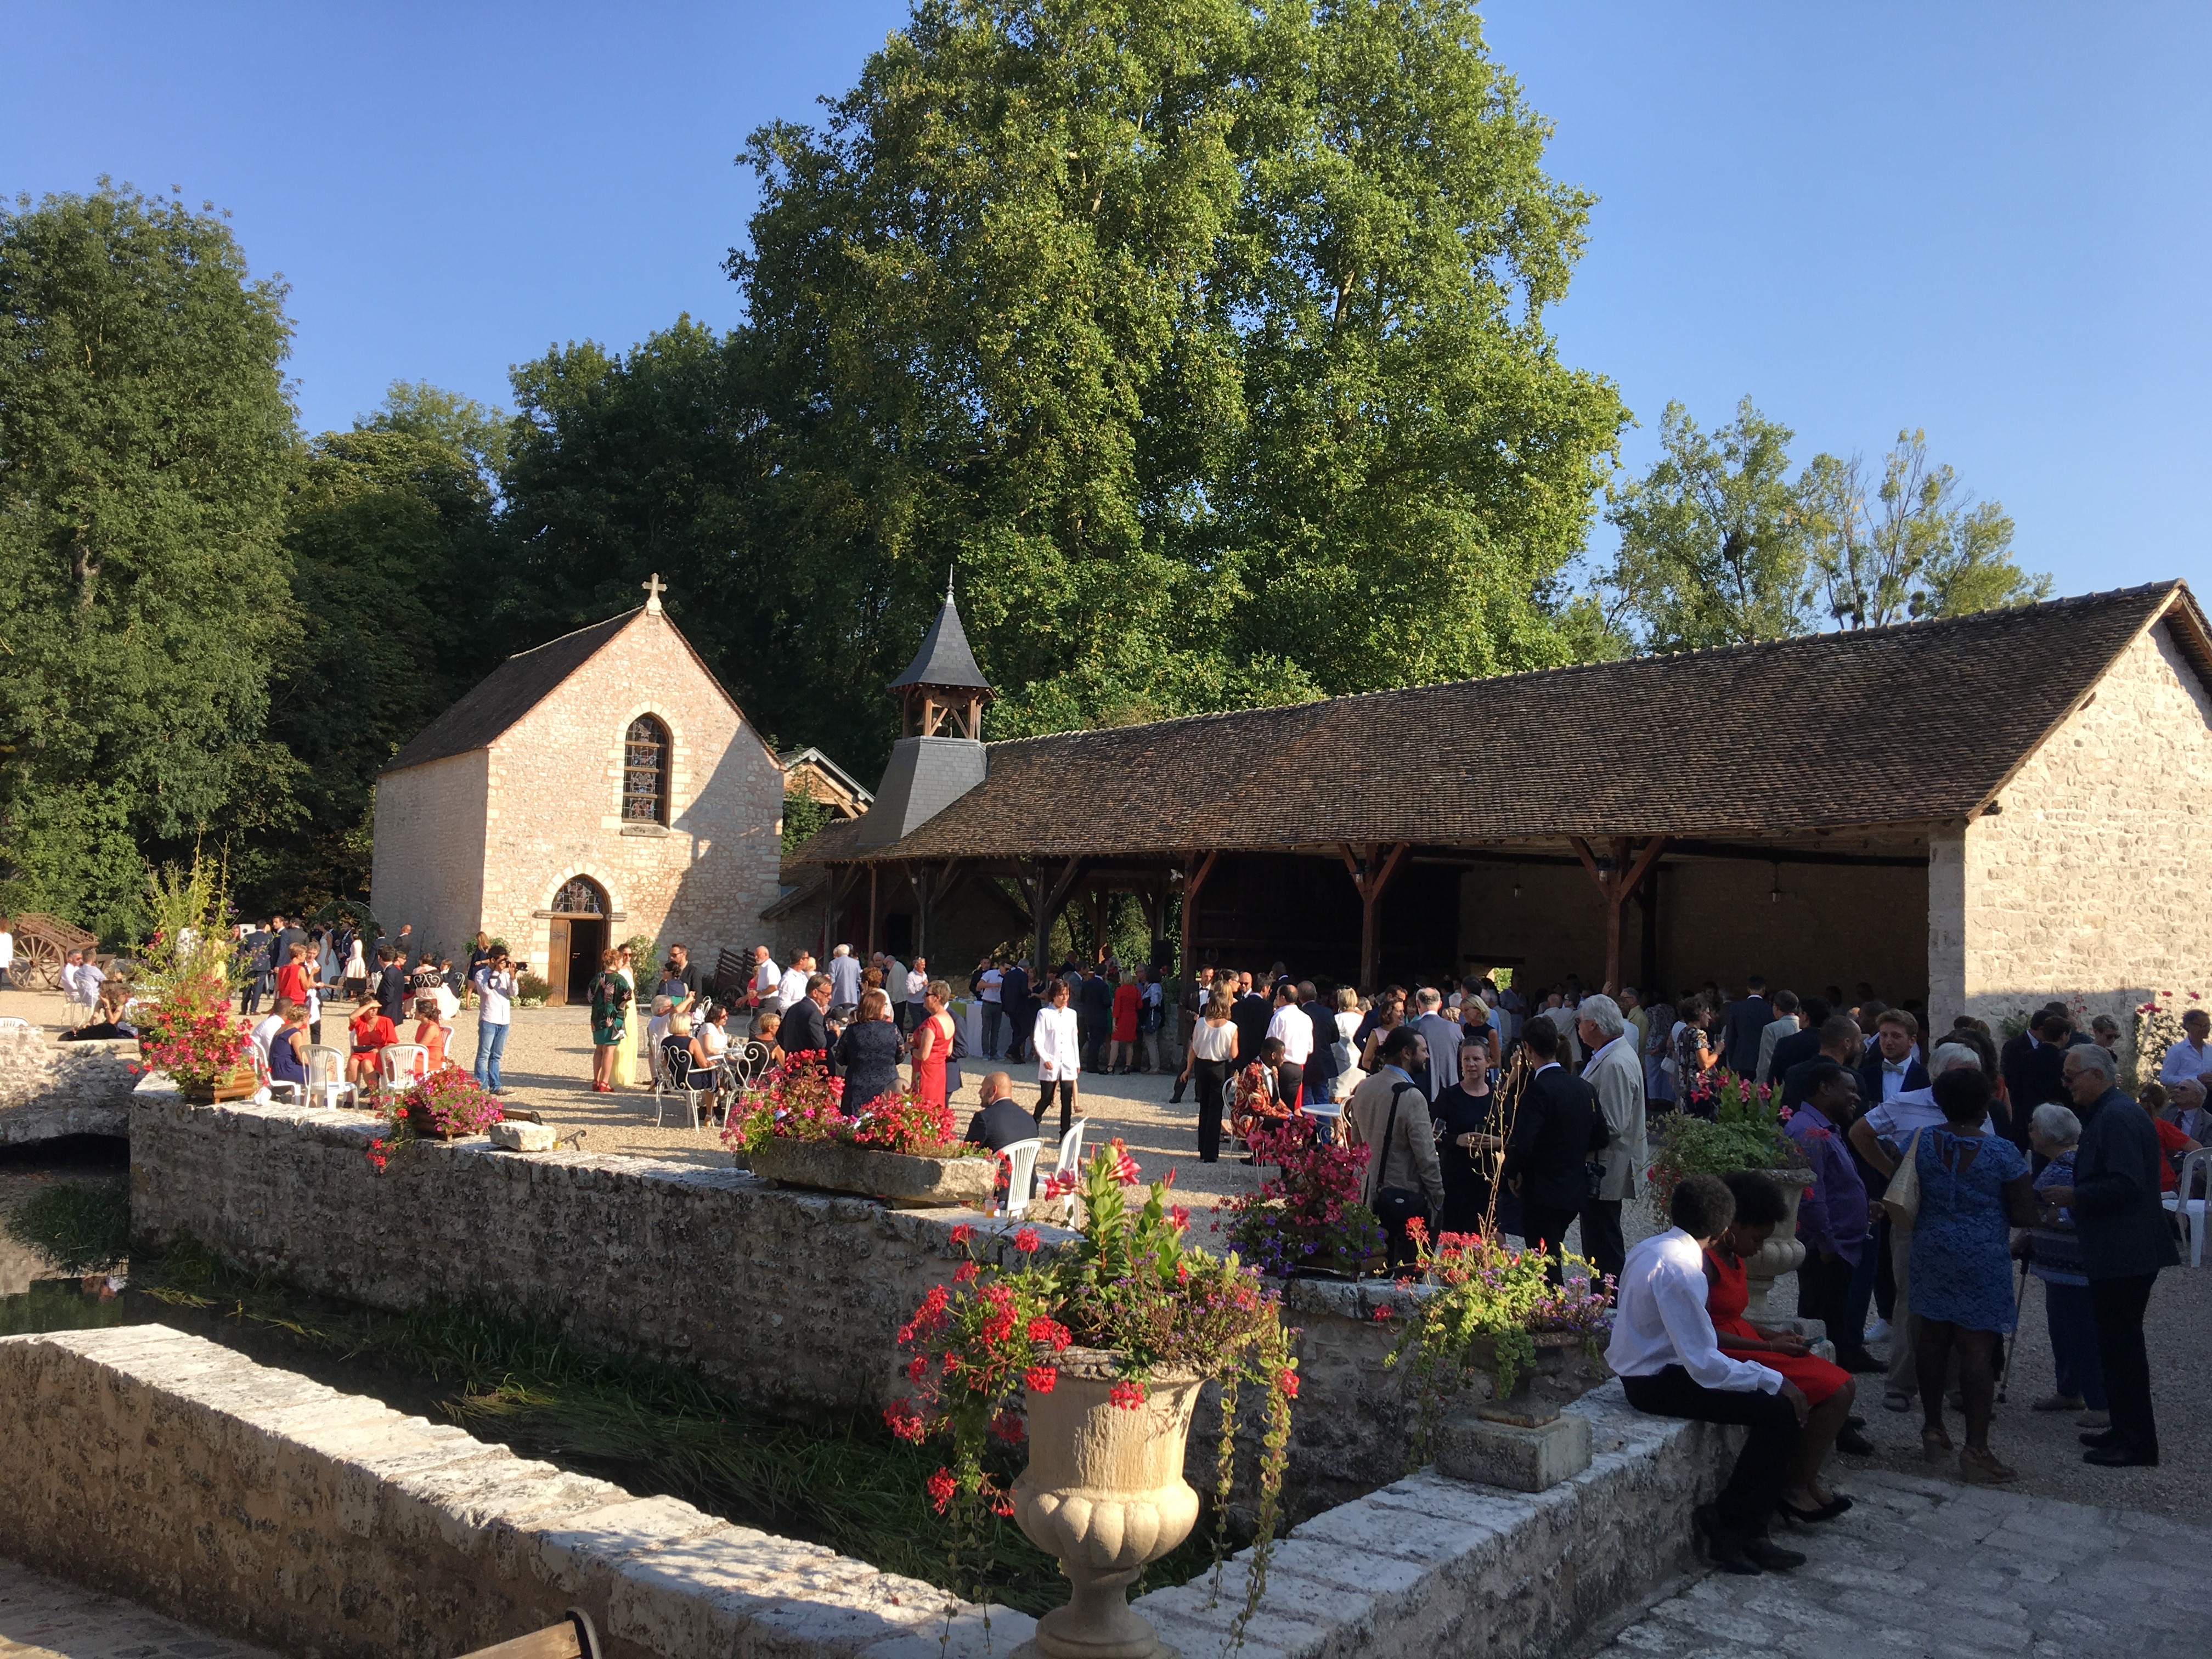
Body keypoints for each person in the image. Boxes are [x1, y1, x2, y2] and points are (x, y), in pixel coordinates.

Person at [1608, 1172, 1811, 1576]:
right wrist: (1775, 1380)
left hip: (1652, 1372)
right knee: (1778, 1411)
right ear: (1723, 1229)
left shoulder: (1652, 1247)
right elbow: (1704, 1362)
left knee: (1774, 1406)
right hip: (1655, 1382)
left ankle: (1747, 1528)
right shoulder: (1683, 1270)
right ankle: (1733, 1525)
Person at [2047, 1043, 2179, 1468]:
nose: (2066, 1086)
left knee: (2123, 1349)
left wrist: (2075, 1195)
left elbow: (2126, 1184)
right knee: (2115, 1346)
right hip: (2118, 1251)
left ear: (2097, 1076)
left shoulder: (2118, 1116)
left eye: (2072, 1077)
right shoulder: (2113, 1112)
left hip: (2126, 1253)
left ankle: (2138, 1443)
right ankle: (2124, 1429)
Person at [1703, 1169, 1862, 1514]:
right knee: (1836, 1388)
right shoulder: (1706, 1262)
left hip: (1746, 1341)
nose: (1759, 1248)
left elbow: (1729, 1313)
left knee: (1843, 1385)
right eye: (1757, 1239)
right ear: (1733, 1226)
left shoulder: (1733, 1255)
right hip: (1727, 1350)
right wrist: (1770, 1347)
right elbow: (1704, 1329)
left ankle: (1804, 1477)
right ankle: (1794, 1484)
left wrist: (1772, 1334)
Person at [1904, 1067, 2035, 1483]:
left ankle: (1933, 1428)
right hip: (1981, 1252)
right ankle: (1976, 1448)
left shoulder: (1920, 1141)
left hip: (1931, 1245)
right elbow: (2021, 1213)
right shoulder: (2002, 1152)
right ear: (1985, 1103)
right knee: (1976, 1346)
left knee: (1933, 1335)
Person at [1785, 1062, 1878, 1371]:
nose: (1856, 1098)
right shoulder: (1809, 1132)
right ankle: (1824, 1400)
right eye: (1849, 1090)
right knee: (1822, 1329)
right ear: (1825, 1088)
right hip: (1827, 1251)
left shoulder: (1822, 1128)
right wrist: (1827, 1245)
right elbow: (1811, 1197)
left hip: (1837, 1247)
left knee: (1831, 1326)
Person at [2021, 1102, 2106, 1428]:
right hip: (2057, 1265)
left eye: (2034, 1126)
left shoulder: (2072, 1164)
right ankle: (2069, 1389)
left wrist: (2053, 1217)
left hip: (2074, 1267)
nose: (2029, 1131)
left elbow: (2080, 1209)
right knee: (2062, 1329)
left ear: (2049, 1134)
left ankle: (2099, 1401)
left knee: (2082, 1332)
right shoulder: (2056, 1161)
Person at [1503, 1016, 1605, 1265]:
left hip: (1543, 1188)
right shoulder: (1584, 1088)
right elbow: (1601, 1135)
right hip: (1574, 1184)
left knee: (1542, 1260)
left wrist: (1511, 1172)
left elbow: (1523, 1142)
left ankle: (1551, 1303)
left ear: (1527, 1048)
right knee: (1551, 1250)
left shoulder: (1537, 1090)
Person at [1345, 1026, 1444, 1272]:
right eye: (1423, 1050)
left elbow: (1357, 1143)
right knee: (1406, 1272)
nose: (1428, 1056)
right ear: (1407, 1054)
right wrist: (1438, 1194)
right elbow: (1426, 1157)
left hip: (1368, 1192)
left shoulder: (1364, 1088)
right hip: (1404, 1195)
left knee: (1373, 1267)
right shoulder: (1412, 1097)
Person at [1578, 994, 1646, 1294]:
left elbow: (1613, 1123)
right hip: (1601, 1165)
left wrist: (1572, 1136)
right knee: (1599, 1240)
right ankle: (1604, 1299)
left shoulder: (1616, 1061)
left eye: (1580, 1022)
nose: (1578, 1027)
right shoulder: (1610, 1054)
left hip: (1604, 1167)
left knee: (1603, 1243)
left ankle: (1609, 1304)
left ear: (1593, 1025)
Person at [1432, 1037, 1517, 1237]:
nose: (1471, 1064)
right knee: (1454, 1241)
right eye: (1466, 1059)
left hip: (1488, 1181)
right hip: (1456, 1179)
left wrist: (1499, 1142)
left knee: (1493, 1238)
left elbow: (1515, 1137)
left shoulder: (1498, 1099)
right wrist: (1456, 1140)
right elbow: (1432, 1134)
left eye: (1477, 1059)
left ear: (1488, 1062)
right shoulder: (1448, 1097)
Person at [1183, 980, 1239, 1163]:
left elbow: (1194, 1048)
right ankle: (1211, 1152)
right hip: (1220, 1067)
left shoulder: (1200, 1023)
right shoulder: (1232, 1028)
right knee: (1216, 1108)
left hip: (1202, 1065)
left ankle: (1202, 1148)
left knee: (1204, 1107)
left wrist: (1188, 1069)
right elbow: (1234, 1054)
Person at [836, 988, 905, 1112]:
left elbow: (840, 1058)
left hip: (858, 1083)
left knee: (854, 1124)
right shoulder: (892, 1029)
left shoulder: (852, 1031)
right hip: (887, 1083)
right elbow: (900, 1056)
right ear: (879, 1009)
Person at [1031, 976, 1082, 1138]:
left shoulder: (1072, 1014)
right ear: (1054, 995)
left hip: (1068, 1060)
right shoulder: (1044, 1014)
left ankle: (1064, 1133)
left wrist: (1077, 1061)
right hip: (1051, 1060)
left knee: (1066, 1099)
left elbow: (1074, 1039)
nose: (1065, 998)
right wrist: (1045, 1058)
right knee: (1046, 1098)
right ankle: (1035, 1121)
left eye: (1067, 994)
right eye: (1061, 994)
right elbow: (1038, 1039)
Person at [1858, 1009, 1929, 1108]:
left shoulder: (1925, 1077)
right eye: (1884, 1035)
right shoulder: (1864, 1075)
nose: (1888, 1042)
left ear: (1912, 1041)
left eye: (1896, 1036)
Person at [585, 948, 631, 1093]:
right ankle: (605, 1082)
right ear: (616, 962)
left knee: (599, 1049)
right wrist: (621, 1007)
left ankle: (595, 1080)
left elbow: (590, 996)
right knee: (609, 1049)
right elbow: (627, 995)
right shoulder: (619, 979)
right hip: (613, 1017)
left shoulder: (598, 977)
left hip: (597, 1016)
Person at [1764, 996, 1831, 1090]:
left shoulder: (1786, 1043)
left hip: (1792, 1093)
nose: (1798, 1016)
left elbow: (1774, 1078)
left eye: (1801, 1013)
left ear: (1806, 1016)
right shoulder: (1831, 1044)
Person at [472, 951, 515, 1093]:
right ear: (492, 960)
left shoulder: (505, 975)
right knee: (484, 1054)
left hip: (504, 1020)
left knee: (496, 1055)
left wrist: (513, 978)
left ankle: (496, 1086)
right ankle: (481, 1085)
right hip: (489, 1018)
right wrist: (496, 973)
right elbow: (485, 991)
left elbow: (514, 993)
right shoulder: (481, 975)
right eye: (501, 961)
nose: (504, 964)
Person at [1266, 980, 1314, 1108]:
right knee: (1291, 1109)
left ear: (1282, 998)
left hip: (1282, 1067)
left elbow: (1270, 1044)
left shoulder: (1279, 1017)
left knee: (1279, 1109)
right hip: (1298, 1069)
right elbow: (1310, 1048)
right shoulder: (1306, 1018)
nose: (1276, 999)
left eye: (1277, 996)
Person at [1170, 967, 1214, 1102]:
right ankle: (1177, 1094)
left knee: (1203, 1061)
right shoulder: (1190, 989)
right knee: (1186, 1060)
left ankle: (1200, 1095)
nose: (1208, 979)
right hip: (1191, 1029)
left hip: (1208, 1030)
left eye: (1210, 977)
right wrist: (1193, 1016)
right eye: (1206, 976)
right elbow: (1181, 1007)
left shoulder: (1215, 992)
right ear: (1201, 975)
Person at [964, 1071, 1034, 1154]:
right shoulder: (1030, 1120)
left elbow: (967, 1150)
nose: (980, 1092)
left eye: (983, 1088)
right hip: (1025, 1167)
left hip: (997, 1166)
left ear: (994, 1090)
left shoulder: (984, 1119)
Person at [912, 979, 956, 1112]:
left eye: (926, 995)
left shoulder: (932, 1022)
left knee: (922, 1109)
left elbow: (923, 1055)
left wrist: (911, 1050)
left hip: (926, 1072)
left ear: (937, 998)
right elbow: (949, 1051)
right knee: (936, 1109)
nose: (924, 998)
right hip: (939, 1071)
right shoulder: (949, 1019)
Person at [1722, 975, 1776, 1079]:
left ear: (1748, 989)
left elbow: (1730, 1036)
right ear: (1764, 990)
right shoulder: (1769, 1010)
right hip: (1762, 1060)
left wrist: (1732, 1058)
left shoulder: (1736, 1008)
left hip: (1740, 1059)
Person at [1673, 998, 1722, 1111]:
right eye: (1707, 1013)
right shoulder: (1700, 1035)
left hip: (1685, 1086)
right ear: (1700, 1014)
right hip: (1700, 1089)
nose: (1710, 1018)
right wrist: (1717, 1052)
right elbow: (1704, 1064)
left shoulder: (1684, 1032)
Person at [1412, 988, 1459, 1103]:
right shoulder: (1456, 1029)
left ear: (1418, 1003)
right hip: (1451, 1091)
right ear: (1440, 1004)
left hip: (1419, 1092)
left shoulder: (1411, 1029)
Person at [780, 973, 838, 1063]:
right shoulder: (814, 1013)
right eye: (827, 994)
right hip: (810, 1069)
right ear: (815, 993)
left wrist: (793, 1052)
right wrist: (834, 1034)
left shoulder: (793, 1008)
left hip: (793, 1065)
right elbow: (822, 1045)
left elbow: (780, 1036)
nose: (830, 998)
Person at [1753, 991, 1802, 1088]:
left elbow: (1766, 1061)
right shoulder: (1803, 1026)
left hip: (1777, 1083)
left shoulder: (1771, 1028)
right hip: (1799, 1081)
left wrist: (1761, 1085)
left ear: (1776, 1007)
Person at [2158, 1006, 2212, 1091]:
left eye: (2208, 1026)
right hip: (2186, 1099)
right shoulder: (2177, 1051)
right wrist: (2196, 1079)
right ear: (2188, 1026)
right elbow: (2165, 1078)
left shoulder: (2210, 1050)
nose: (2207, 1029)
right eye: (2203, 1026)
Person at [348, 998, 397, 1087]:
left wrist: (381, 1050)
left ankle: (374, 1095)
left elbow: (392, 1042)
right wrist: (370, 1005)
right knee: (352, 1061)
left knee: (366, 1063)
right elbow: (352, 1017)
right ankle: (350, 1096)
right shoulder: (361, 1021)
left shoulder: (386, 1021)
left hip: (378, 1053)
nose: (374, 1010)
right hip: (362, 1051)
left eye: (376, 1007)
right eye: (371, 1008)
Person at [267, 1004, 313, 1094]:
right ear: (303, 1018)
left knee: (318, 1071)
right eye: (309, 1016)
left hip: (276, 1067)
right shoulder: (295, 1033)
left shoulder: (283, 1029)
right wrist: (321, 1065)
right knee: (322, 1073)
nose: (309, 1019)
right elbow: (303, 1059)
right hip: (286, 1069)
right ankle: (314, 1102)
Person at [1000, 957, 1034, 1066]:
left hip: (1010, 1008)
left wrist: (1005, 1007)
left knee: (1017, 1031)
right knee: (1026, 1030)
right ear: (1027, 968)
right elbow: (1024, 991)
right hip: (1021, 1007)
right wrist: (1030, 991)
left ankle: (1016, 1056)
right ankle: (1011, 1050)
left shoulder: (1009, 975)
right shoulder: (1023, 975)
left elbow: (1003, 992)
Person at [1108, 970, 1141, 1075]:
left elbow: (1117, 1007)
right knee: (1130, 1043)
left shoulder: (1119, 991)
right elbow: (1140, 1006)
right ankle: (1128, 1066)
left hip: (1122, 1018)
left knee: (1115, 1041)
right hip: (1132, 1017)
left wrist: (1114, 1021)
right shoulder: (1136, 990)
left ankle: (1111, 1066)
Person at [976, 957, 1005, 1058]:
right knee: (986, 1029)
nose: (1006, 971)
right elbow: (979, 985)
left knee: (996, 1030)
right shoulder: (991, 973)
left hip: (999, 1004)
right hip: (988, 1003)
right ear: (1001, 967)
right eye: (1005, 969)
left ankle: (994, 1052)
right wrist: (993, 985)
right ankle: (985, 1053)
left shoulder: (1007, 976)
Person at [828, 944, 862, 1017]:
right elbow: (859, 979)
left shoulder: (833, 963)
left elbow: (832, 981)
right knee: (850, 1018)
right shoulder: (856, 963)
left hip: (837, 995)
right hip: (852, 996)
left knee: (837, 1019)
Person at [778, 951, 811, 1015]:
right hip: (794, 1017)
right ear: (801, 961)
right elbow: (782, 1004)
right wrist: (800, 1008)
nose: (808, 960)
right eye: (807, 958)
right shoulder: (788, 979)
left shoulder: (803, 975)